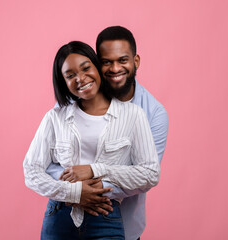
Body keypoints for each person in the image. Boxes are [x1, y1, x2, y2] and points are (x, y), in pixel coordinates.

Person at [23, 41, 160, 240]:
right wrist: (74, 192)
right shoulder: (55, 117)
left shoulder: (133, 115)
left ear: (97, 67)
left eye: (86, 68)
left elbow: (150, 174)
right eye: (70, 75)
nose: (81, 78)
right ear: (63, 82)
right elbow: (31, 170)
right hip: (60, 216)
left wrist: (95, 169)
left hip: (105, 216)